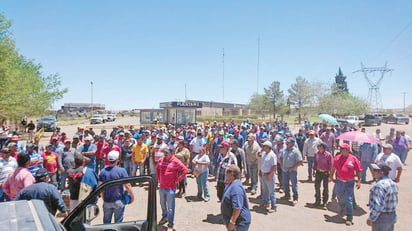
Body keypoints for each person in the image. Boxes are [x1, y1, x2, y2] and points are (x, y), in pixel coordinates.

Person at [329, 143, 362, 226]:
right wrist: (331, 176)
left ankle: (349, 217)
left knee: (349, 199)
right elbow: (333, 168)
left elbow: (358, 170)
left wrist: (359, 181)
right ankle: (342, 208)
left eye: (342, 149)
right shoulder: (337, 158)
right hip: (339, 181)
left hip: (349, 182)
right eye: (340, 149)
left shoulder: (353, 159)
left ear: (347, 150)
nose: (340, 150)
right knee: (339, 197)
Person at [99, 150, 134, 224]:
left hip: (107, 201)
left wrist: (103, 198)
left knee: (106, 223)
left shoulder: (102, 171)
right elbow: (127, 185)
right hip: (118, 200)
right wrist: (132, 196)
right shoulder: (122, 171)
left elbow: (100, 187)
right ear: (117, 160)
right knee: (118, 223)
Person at [156, 148, 188, 231]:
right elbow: (157, 168)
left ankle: (170, 224)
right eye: (164, 153)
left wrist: (178, 180)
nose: (165, 154)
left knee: (170, 207)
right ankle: (164, 217)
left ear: (172, 153)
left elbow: (185, 170)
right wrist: (159, 178)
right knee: (162, 204)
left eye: (167, 153)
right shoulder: (161, 160)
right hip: (162, 187)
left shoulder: (176, 161)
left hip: (170, 188)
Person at [367, 163, 398, 231]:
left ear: (381, 172)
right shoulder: (393, 183)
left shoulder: (379, 186)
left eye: (375, 170)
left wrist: (371, 218)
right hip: (391, 216)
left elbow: (378, 205)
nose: (372, 171)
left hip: (381, 218)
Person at [221, 165, 251, 231]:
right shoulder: (232, 184)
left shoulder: (236, 188)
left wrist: (232, 221)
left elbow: (237, 207)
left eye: (226, 174)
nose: (225, 175)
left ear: (231, 174)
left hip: (239, 223)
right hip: (235, 221)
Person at [280, 138, 303, 205]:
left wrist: (293, 168)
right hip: (285, 170)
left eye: (288, 142)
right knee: (285, 183)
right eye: (287, 142)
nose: (287, 143)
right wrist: (281, 164)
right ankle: (287, 195)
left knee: (294, 184)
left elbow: (300, 161)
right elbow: (281, 157)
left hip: (292, 171)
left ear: (292, 143)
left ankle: (295, 198)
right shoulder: (284, 150)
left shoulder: (296, 151)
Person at [312, 142, 333, 208]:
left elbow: (331, 165)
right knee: (317, 186)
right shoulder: (316, 154)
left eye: (321, 147)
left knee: (325, 187)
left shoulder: (328, 155)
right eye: (319, 147)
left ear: (324, 148)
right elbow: (315, 162)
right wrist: (314, 170)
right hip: (318, 172)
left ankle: (325, 202)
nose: (320, 148)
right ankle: (317, 200)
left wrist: (330, 176)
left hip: (325, 172)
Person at [259, 141, 277, 213]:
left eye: (264, 146)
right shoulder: (263, 154)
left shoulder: (272, 155)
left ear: (268, 147)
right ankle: (266, 203)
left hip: (269, 174)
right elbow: (262, 163)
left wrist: (269, 175)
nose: (263, 148)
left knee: (271, 191)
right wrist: (260, 171)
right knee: (265, 190)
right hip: (263, 174)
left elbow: (274, 166)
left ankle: (274, 206)